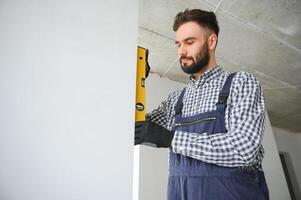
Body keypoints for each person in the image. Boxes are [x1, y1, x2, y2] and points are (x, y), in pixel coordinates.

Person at [135, 9, 269, 200]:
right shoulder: (176, 99)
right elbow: (138, 128)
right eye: (178, 44)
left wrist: (172, 139)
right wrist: (132, 79)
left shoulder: (241, 82)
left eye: (189, 42)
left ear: (211, 41)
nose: (181, 51)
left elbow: (244, 148)